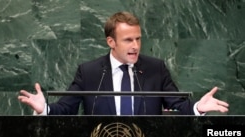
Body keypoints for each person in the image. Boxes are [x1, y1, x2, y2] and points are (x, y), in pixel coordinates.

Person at [18, 11, 229, 115]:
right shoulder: (89, 72)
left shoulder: (156, 69)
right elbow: (66, 109)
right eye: (128, 40)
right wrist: (43, 108)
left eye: (138, 38)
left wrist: (198, 108)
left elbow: (178, 105)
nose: (136, 45)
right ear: (111, 42)